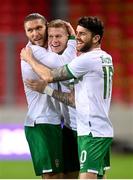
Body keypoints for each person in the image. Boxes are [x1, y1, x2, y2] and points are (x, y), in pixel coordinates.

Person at [21, 16, 114, 179]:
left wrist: (30, 60)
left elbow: (53, 78)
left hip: (89, 128)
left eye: (59, 36)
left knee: (91, 176)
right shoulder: (96, 58)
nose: (54, 40)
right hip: (74, 128)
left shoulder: (77, 63)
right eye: (51, 36)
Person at [21, 13, 77, 179]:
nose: (35, 33)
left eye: (38, 28)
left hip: (53, 121)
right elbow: (64, 65)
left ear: (46, 26)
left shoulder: (48, 50)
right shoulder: (34, 51)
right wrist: (72, 38)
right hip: (41, 122)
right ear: (25, 33)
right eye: (30, 30)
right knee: (54, 177)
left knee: (68, 175)